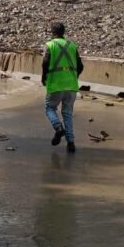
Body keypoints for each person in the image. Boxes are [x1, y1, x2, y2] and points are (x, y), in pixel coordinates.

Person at [42, 22, 84, 153]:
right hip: (71, 85)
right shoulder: (72, 46)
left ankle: (58, 128)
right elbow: (81, 66)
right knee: (67, 114)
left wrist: (44, 77)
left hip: (55, 84)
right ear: (63, 32)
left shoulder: (50, 45)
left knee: (50, 108)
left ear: (52, 32)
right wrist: (73, 77)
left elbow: (45, 62)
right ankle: (71, 143)